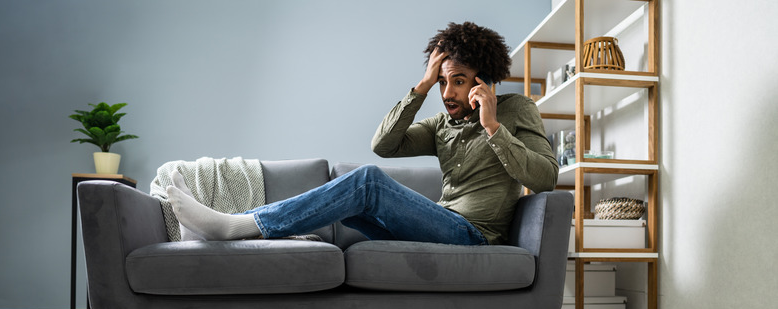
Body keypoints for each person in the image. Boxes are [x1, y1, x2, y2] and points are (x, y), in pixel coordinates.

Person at [167, 22, 558, 246]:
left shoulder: (516, 110)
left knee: (367, 182)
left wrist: (492, 127)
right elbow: (384, 145)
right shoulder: (442, 125)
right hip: (439, 223)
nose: (448, 93)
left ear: (484, 80)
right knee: (355, 200)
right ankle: (230, 222)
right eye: (442, 82)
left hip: (473, 236)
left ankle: (233, 226)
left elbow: (546, 178)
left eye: (457, 82)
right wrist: (420, 88)